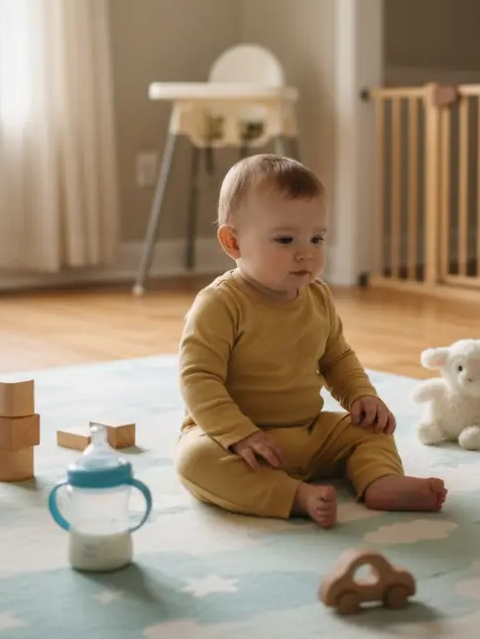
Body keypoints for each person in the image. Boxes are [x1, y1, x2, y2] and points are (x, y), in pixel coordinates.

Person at [175, 154, 447, 528]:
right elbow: (198, 380)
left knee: (371, 432)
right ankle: (294, 496)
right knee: (194, 461)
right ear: (233, 241)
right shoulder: (220, 304)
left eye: (317, 238)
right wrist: (240, 435)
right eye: (285, 239)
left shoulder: (317, 296)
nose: (306, 252)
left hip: (308, 432)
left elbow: (336, 358)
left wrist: (361, 397)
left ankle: (380, 481)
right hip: (237, 441)